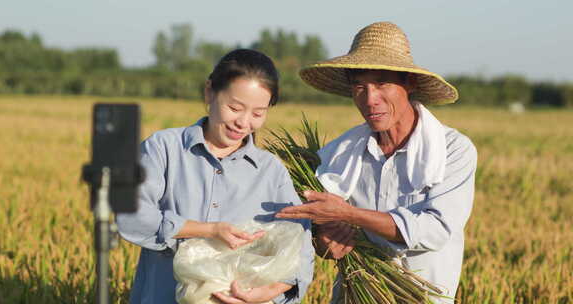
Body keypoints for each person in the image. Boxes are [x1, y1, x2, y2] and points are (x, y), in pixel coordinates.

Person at [276, 22, 477, 303]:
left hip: (423, 297)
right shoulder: (339, 154)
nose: (370, 99)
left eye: (382, 83)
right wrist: (326, 241)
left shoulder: (452, 150)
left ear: (410, 83)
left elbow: (436, 230)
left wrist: (349, 214)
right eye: (360, 86)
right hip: (354, 295)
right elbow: (319, 234)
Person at [117, 49, 314, 304]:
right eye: (234, 107)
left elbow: (299, 250)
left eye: (257, 113)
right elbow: (130, 216)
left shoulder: (271, 172)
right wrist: (207, 230)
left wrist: (266, 293)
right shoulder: (164, 149)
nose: (243, 123)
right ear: (210, 92)